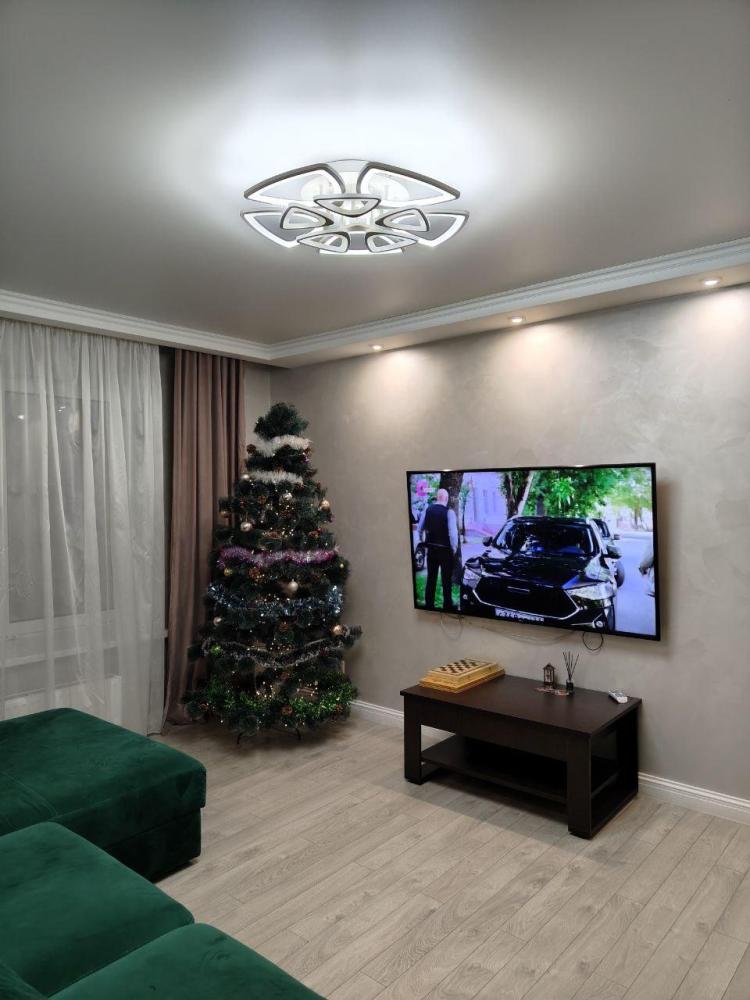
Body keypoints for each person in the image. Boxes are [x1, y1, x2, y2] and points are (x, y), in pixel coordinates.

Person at [417, 489, 458, 611]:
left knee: (431, 578)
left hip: (431, 550)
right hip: (445, 552)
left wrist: (423, 540)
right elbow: (453, 535)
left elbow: (419, 528)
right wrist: (454, 549)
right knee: (446, 580)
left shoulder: (427, 510)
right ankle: (448, 606)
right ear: (446, 499)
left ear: (436, 497)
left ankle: (429, 605)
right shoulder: (449, 512)